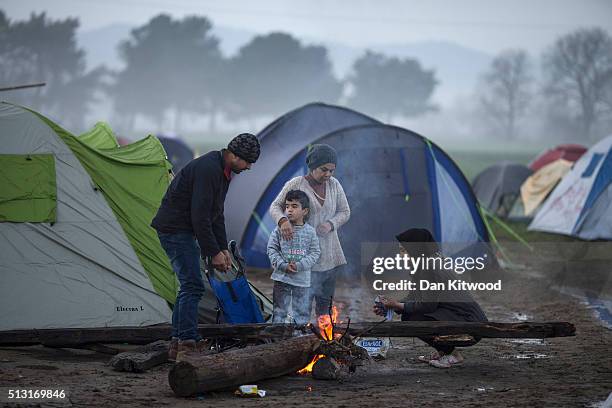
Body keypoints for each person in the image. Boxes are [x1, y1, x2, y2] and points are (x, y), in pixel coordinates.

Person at [152, 133, 260, 361]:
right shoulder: (208, 169)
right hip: (174, 230)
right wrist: (213, 253)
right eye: (247, 162)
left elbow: (216, 214)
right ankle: (187, 345)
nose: (249, 167)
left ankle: (177, 344)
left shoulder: (224, 172)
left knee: (188, 286)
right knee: (193, 286)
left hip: (184, 230)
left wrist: (223, 250)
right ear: (233, 155)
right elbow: (199, 216)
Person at [374, 228, 488, 368]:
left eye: (404, 250)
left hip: (470, 323)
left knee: (413, 319)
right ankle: (443, 351)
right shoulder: (423, 264)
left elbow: (428, 305)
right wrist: (390, 306)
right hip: (459, 317)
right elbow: (415, 296)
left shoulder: (430, 268)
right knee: (410, 315)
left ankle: (452, 355)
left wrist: (397, 305)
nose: (400, 255)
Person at [269, 144, 350, 319]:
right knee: (302, 307)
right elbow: (275, 206)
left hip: (329, 254)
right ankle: (301, 339)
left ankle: (324, 339)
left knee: (324, 307)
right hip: (302, 257)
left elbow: (345, 212)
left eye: (332, 170)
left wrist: (330, 224)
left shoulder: (334, 185)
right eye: (324, 170)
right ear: (313, 166)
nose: (328, 175)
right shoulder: (296, 184)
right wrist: (283, 221)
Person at [267, 190, 321, 324]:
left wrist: (299, 265)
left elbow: (315, 253)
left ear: (305, 211)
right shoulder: (279, 230)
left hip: (302, 281)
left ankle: (299, 339)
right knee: (279, 311)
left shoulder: (310, 232)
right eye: (287, 206)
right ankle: (277, 339)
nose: (289, 210)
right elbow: (271, 249)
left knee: (301, 312)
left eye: (294, 206)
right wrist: (283, 265)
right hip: (281, 278)